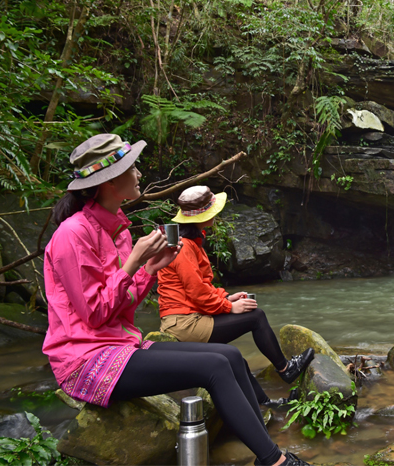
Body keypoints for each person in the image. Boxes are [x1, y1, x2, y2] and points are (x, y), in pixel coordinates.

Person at [42, 134, 312, 466]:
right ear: (111, 182)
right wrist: (133, 263)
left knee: (228, 355)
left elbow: (122, 308)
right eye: (133, 168)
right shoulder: (72, 235)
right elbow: (94, 314)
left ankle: (264, 444)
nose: (139, 174)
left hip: (119, 345)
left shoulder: (119, 231)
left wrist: (149, 269)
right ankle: (274, 462)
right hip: (86, 362)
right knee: (213, 366)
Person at [157, 185, 314, 407]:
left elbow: (201, 287)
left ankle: (266, 404)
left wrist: (227, 297)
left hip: (190, 317)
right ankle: (287, 370)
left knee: (234, 358)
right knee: (256, 317)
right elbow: (197, 293)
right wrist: (229, 308)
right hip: (183, 323)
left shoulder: (192, 243)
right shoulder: (183, 248)